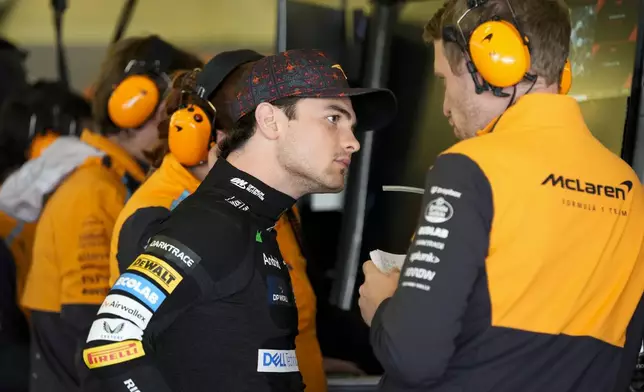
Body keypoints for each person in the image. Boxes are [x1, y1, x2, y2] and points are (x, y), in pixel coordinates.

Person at [358, 0, 644, 391]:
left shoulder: (470, 167)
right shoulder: (628, 186)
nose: (445, 106)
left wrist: (383, 308)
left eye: (445, 79)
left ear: (496, 64)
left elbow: (413, 357)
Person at [80, 48, 396, 392]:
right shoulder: (211, 223)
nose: (352, 142)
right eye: (333, 118)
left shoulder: (257, 220)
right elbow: (109, 344)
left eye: (351, 125)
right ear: (270, 121)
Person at [20, 35, 202, 392]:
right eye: (183, 104)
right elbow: (98, 336)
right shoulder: (93, 192)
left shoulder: (125, 184)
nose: (191, 121)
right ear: (138, 102)